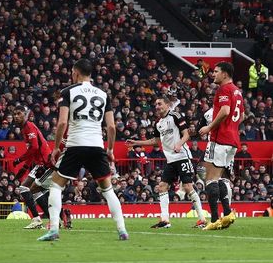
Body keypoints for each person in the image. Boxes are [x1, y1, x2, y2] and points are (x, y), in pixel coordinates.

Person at [39, 59, 128, 241]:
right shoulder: (103, 94)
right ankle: (122, 230)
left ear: (76, 73)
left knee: (55, 185)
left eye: (72, 72)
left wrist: (56, 148)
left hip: (76, 145)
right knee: (108, 190)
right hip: (96, 146)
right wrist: (110, 149)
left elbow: (63, 122)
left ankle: (54, 229)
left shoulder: (68, 92)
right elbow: (111, 127)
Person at [126, 96, 207, 228]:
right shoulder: (158, 124)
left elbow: (186, 134)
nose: (157, 106)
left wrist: (179, 144)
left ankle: (202, 220)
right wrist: (136, 142)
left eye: (160, 104)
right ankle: (165, 220)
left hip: (182, 157)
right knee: (162, 187)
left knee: (187, 187)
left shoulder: (175, 116)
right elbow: (155, 141)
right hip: (170, 160)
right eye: (156, 104)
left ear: (167, 105)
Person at [198, 62, 243, 230]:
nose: (213, 74)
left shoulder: (224, 89)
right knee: (222, 177)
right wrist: (231, 128)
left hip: (221, 139)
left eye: (216, 72)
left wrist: (210, 127)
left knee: (210, 178)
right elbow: (242, 115)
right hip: (232, 141)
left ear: (225, 74)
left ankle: (215, 220)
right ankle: (227, 213)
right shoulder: (237, 91)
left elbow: (224, 111)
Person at [12, 106, 53, 229]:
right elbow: (32, 151)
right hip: (40, 163)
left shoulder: (29, 127)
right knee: (30, 189)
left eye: (19, 113)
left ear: (25, 114)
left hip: (46, 163)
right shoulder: (25, 128)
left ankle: (46, 219)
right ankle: (44, 219)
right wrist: (24, 168)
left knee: (27, 188)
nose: (16, 116)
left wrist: (19, 159)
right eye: (14, 114)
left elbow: (34, 148)